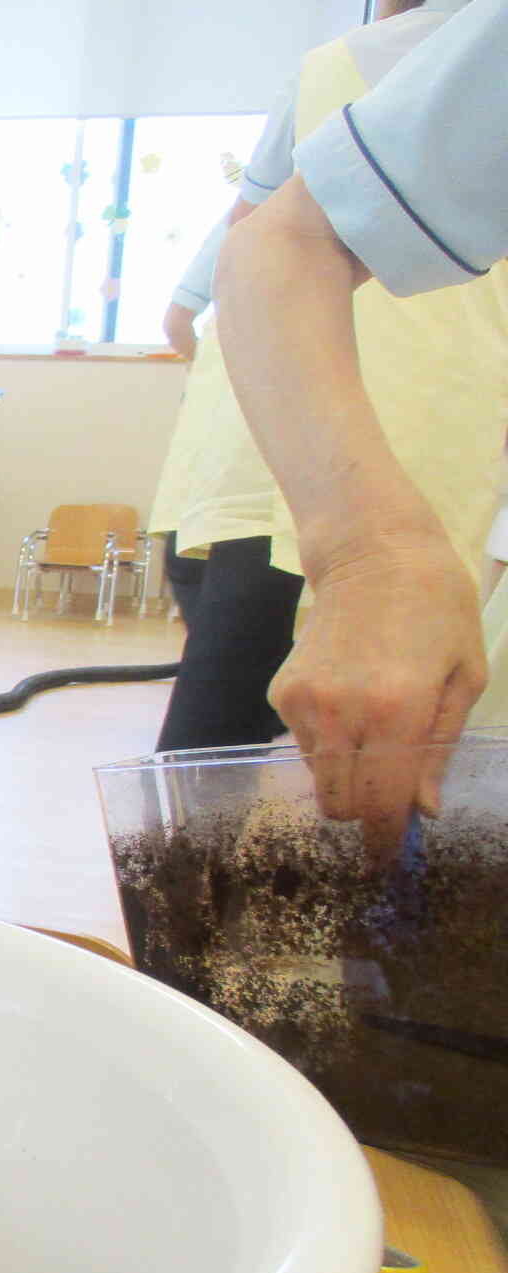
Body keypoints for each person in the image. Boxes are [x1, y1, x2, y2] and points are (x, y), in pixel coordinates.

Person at [148, 0, 508, 756]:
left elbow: (225, 259)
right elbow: (259, 240)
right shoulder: (411, 63)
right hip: (398, 431)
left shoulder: (335, 67)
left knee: (234, 702)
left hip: (290, 432)